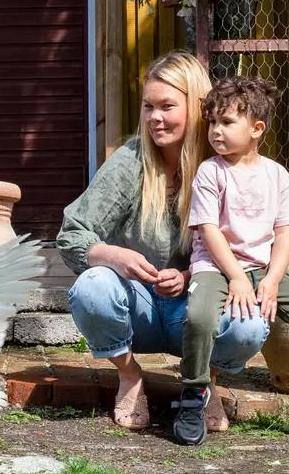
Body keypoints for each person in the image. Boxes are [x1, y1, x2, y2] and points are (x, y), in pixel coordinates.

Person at [58, 51, 270, 432]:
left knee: (248, 325)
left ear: (197, 107)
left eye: (167, 106)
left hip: (195, 309)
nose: (155, 117)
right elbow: (72, 232)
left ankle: (207, 383)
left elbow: (254, 242)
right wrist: (112, 254)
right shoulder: (131, 161)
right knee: (92, 286)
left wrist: (191, 276)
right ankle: (129, 376)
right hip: (137, 305)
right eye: (148, 106)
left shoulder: (228, 165)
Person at [173, 75, 289, 448]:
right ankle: (193, 396)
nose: (216, 132)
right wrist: (237, 277)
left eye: (226, 122)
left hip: (261, 269)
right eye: (212, 123)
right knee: (200, 317)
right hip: (217, 268)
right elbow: (208, 229)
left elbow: (285, 232)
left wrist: (271, 280)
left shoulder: (276, 175)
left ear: (257, 129)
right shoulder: (211, 172)